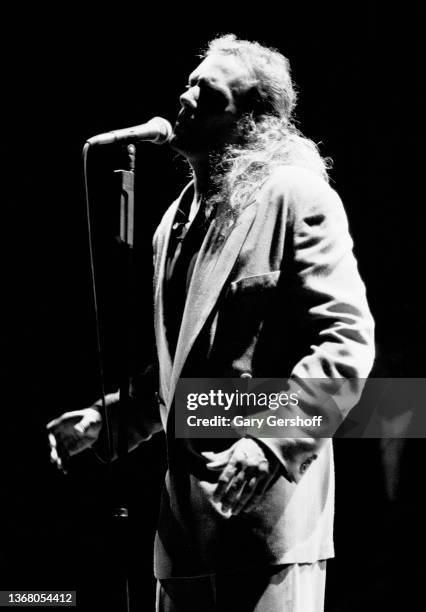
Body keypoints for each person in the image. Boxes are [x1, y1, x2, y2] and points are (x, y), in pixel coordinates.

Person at [47, 35, 375, 611]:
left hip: (266, 521)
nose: (186, 96)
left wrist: (272, 443)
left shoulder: (293, 196)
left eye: (209, 91)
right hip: (181, 534)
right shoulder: (172, 222)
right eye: (189, 81)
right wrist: (111, 419)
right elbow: (184, 376)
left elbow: (346, 342)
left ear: (254, 122)